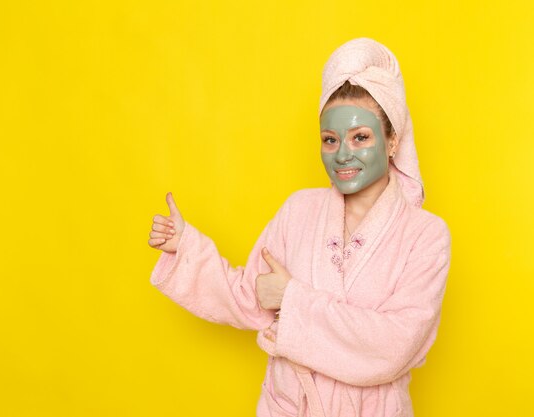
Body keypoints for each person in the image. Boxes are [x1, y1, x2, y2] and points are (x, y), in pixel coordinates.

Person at [147, 38, 451, 417]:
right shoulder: (299, 210)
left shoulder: (426, 235)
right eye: (329, 139)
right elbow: (250, 298)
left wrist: (290, 299)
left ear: (392, 141)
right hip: (291, 407)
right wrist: (186, 248)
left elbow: (394, 345)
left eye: (361, 137)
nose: (342, 154)